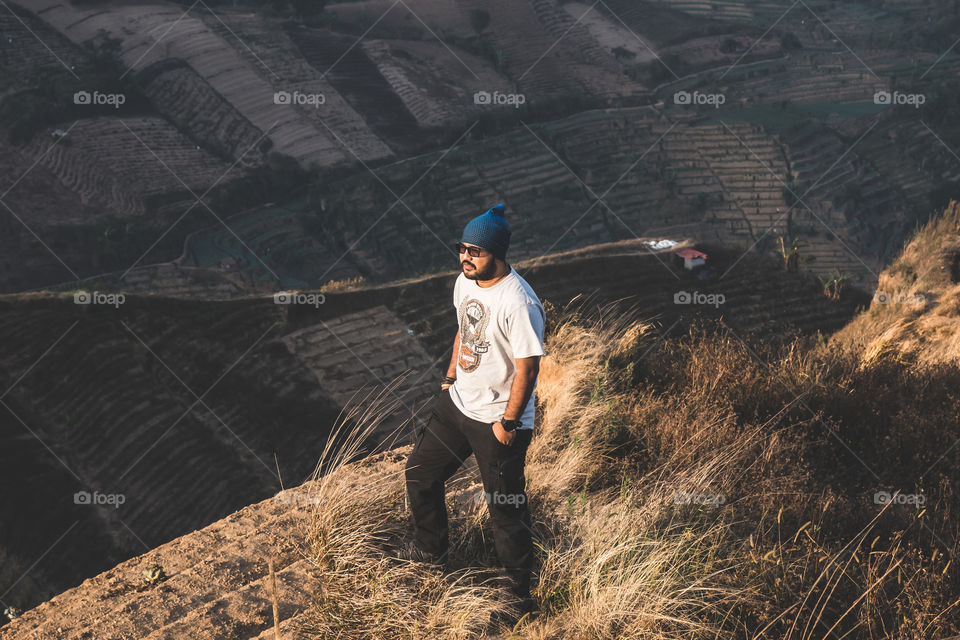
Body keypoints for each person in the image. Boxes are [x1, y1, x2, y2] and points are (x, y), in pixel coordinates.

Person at [402, 203, 546, 620]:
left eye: (475, 251)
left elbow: (529, 365)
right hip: (458, 404)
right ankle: (433, 559)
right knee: (420, 475)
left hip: (498, 421)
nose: (466, 256)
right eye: (462, 248)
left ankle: (518, 598)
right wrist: (449, 380)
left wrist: (509, 421)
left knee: (504, 508)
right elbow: (464, 329)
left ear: (497, 254)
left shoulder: (519, 302)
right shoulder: (465, 283)